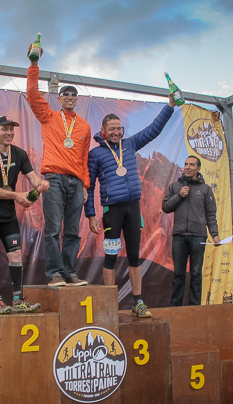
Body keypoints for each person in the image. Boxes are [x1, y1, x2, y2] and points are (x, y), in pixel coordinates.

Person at [84, 97, 176, 318]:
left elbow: (153, 129)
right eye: (112, 129)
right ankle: (109, 304)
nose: (117, 132)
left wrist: (170, 106)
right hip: (112, 211)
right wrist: (90, 215)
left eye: (119, 128)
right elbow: (89, 185)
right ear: (103, 131)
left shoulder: (130, 144)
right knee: (111, 256)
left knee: (134, 256)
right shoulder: (95, 154)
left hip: (133, 209)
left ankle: (138, 302)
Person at [26, 45, 91, 287]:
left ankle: (69, 273)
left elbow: (84, 159)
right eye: (66, 94)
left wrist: (85, 185)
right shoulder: (49, 116)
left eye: (74, 94)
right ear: (60, 98)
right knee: (53, 229)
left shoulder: (84, 126)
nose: (70, 97)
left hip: (76, 182)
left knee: (72, 231)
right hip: (53, 178)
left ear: (77, 99)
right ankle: (54, 273)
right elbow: (32, 94)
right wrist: (34, 65)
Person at [0, 116, 49, 314]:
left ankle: (18, 299)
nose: (9, 133)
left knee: (15, 254)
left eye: (11, 129)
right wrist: (17, 196)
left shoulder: (19, 153)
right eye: (4, 129)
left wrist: (40, 185)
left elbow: (32, 178)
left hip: (8, 213)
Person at [162, 155, 220, 306]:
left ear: (198, 168)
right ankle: (175, 307)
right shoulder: (175, 186)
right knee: (178, 274)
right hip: (179, 236)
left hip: (198, 236)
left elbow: (211, 215)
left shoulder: (206, 189)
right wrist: (179, 196)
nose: (188, 167)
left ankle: (195, 308)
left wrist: (214, 235)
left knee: (196, 274)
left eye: (192, 165)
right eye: (186, 164)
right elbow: (166, 207)